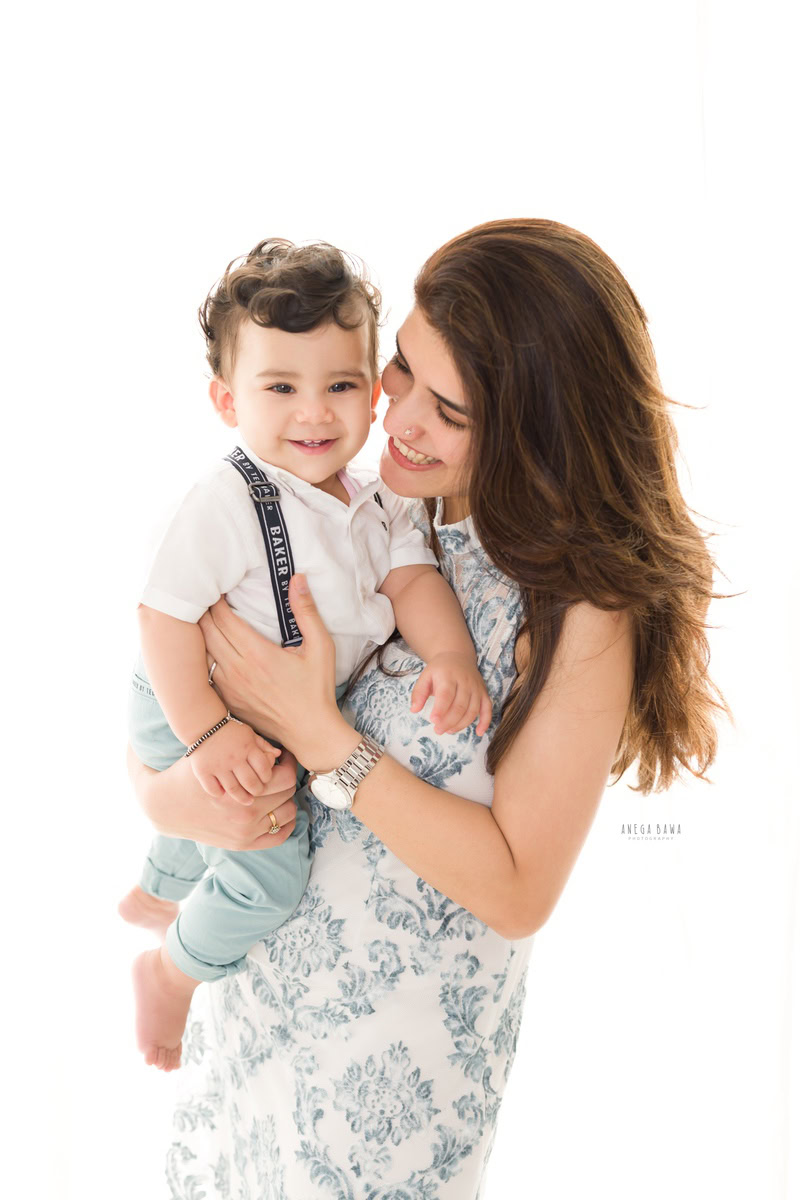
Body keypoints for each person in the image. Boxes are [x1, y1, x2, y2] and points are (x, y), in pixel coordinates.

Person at [128, 218, 727, 1197]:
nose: (394, 416)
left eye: (447, 409)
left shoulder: (577, 611)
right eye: (400, 367)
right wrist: (169, 800)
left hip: (384, 1091)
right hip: (259, 1022)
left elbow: (517, 888)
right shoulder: (382, 513)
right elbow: (171, 692)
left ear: (531, 426)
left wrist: (324, 738)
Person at [121, 239, 492, 1073]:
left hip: (269, 708)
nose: (315, 413)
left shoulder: (381, 498)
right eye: (280, 388)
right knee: (268, 871)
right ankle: (171, 971)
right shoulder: (228, 501)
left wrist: (452, 657)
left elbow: (413, 582)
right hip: (191, 693)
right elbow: (163, 618)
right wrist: (209, 731)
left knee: (235, 794)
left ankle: (158, 888)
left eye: (340, 385)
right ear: (227, 401)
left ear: (370, 389)